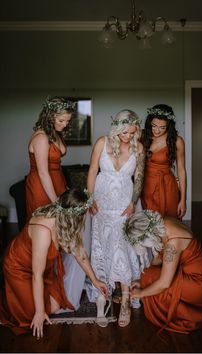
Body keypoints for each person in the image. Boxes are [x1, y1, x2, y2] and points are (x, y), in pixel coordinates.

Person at [0, 189, 108, 338]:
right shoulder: (43, 230)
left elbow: (79, 253)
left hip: (42, 266)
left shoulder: (64, 221)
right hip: (20, 267)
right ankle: (8, 302)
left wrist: (95, 280)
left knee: (55, 305)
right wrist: (39, 312)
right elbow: (36, 276)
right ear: (73, 217)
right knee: (32, 315)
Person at [86, 109, 145, 327]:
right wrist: (90, 199)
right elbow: (92, 171)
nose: (128, 136)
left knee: (124, 248)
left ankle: (127, 299)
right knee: (102, 247)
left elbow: (138, 178)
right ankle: (103, 296)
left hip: (124, 206)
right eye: (125, 132)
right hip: (101, 206)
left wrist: (132, 203)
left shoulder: (138, 147)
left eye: (132, 132)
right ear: (117, 127)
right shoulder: (102, 143)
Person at [123, 210, 202, 334]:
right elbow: (158, 261)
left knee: (150, 276)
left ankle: (176, 312)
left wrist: (141, 292)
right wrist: (142, 281)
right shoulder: (162, 222)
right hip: (200, 274)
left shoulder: (172, 244)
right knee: (148, 274)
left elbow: (164, 283)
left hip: (200, 284)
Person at [25, 96, 76, 220]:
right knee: (46, 223)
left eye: (68, 121)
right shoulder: (41, 138)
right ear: (50, 117)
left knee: (59, 228)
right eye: (61, 120)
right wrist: (56, 203)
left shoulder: (55, 134)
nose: (65, 124)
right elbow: (43, 173)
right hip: (42, 185)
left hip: (57, 180)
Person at [141, 104, 186, 219]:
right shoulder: (143, 136)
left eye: (162, 127)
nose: (157, 130)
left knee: (169, 222)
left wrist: (183, 199)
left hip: (167, 186)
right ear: (149, 123)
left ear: (169, 126)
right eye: (154, 126)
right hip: (147, 186)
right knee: (149, 225)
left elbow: (181, 170)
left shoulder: (177, 141)